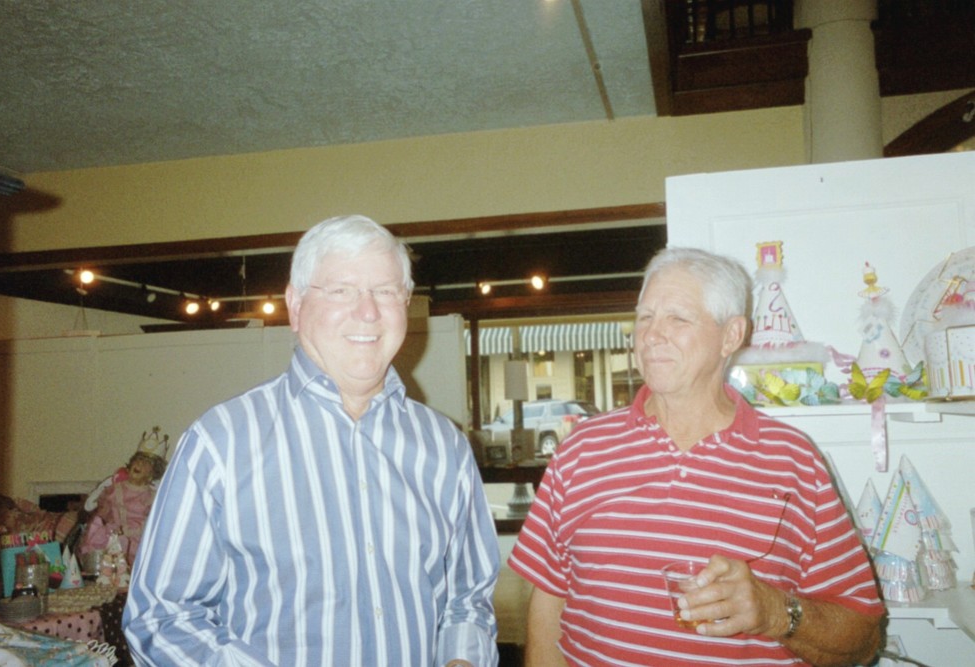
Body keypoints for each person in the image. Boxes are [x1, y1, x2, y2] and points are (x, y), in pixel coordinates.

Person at [123, 215, 500, 666]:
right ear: (296, 305)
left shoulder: (445, 446)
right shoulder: (220, 443)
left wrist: (461, 660)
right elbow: (159, 618)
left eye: (385, 291)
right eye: (341, 290)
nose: (368, 312)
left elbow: (467, 600)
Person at [508, 247, 885, 667]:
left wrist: (774, 612)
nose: (651, 335)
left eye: (678, 318)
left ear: (731, 336)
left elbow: (862, 635)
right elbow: (549, 600)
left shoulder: (793, 459)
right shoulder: (581, 448)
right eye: (645, 317)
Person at [78, 428, 168, 568]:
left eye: (146, 464)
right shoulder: (115, 489)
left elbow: (154, 522)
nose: (139, 464)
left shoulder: (152, 496)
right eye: (138, 460)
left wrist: (132, 532)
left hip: (139, 540)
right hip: (113, 536)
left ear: (152, 473)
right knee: (100, 542)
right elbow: (103, 513)